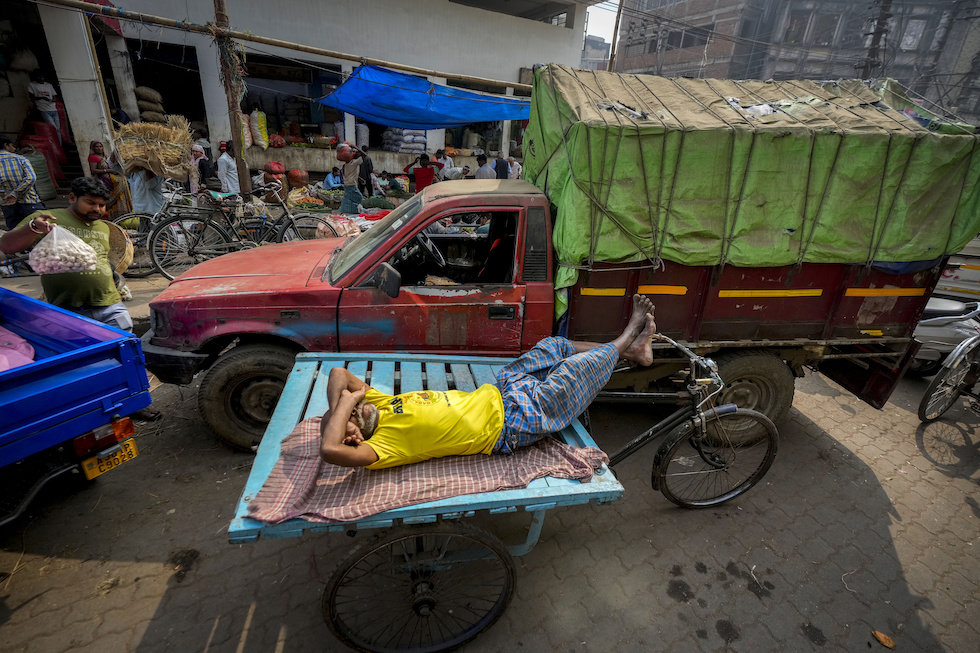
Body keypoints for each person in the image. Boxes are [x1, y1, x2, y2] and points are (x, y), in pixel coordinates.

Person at [319, 294, 657, 469]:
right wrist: (348, 404)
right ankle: (627, 335)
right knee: (572, 373)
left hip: (503, 389)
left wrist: (345, 408)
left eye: (348, 417)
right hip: (512, 424)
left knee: (552, 346)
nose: (352, 420)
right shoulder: (384, 446)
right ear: (358, 438)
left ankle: (632, 352)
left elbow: (338, 374)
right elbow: (331, 449)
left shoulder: (376, 406)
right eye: (351, 427)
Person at [0, 177, 162, 419]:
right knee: (83, 366)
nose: (97, 209)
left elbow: (103, 259)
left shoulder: (104, 228)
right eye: (91, 203)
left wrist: (115, 281)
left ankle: (134, 402)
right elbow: (7, 245)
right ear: (73, 198)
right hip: (67, 309)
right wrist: (32, 228)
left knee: (125, 357)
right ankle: (94, 408)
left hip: (109, 302)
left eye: (102, 205)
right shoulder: (48, 218)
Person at [0, 137, 44, 231]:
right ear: (5, 146)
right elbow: (31, 178)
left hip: (7, 205)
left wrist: (6, 194)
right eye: (12, 146)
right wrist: (15, 193)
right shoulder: (20, 159)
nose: (14, 149)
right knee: (40, 232)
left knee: (16, 235)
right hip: (29, 202)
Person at [27, 71, 60, 143]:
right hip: (43, 109)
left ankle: (59, 145)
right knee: (53, 128)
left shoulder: (49, 85)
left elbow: (55, 96)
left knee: (57, 129)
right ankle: (55, 144)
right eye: (39, 77)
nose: (41, 78)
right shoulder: (32, 85)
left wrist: (53, 100)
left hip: (53, 108)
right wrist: (42, 98)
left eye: (42, 77)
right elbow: (32, 97)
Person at [339, 147, 364, 214]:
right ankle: (358, 210)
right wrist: (355, 147)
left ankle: (344, 211)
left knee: (348, 198)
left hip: (347, 183)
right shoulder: (354, 163)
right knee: (359, 197)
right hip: (351, 184)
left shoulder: (347, 164)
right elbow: (364, 155)